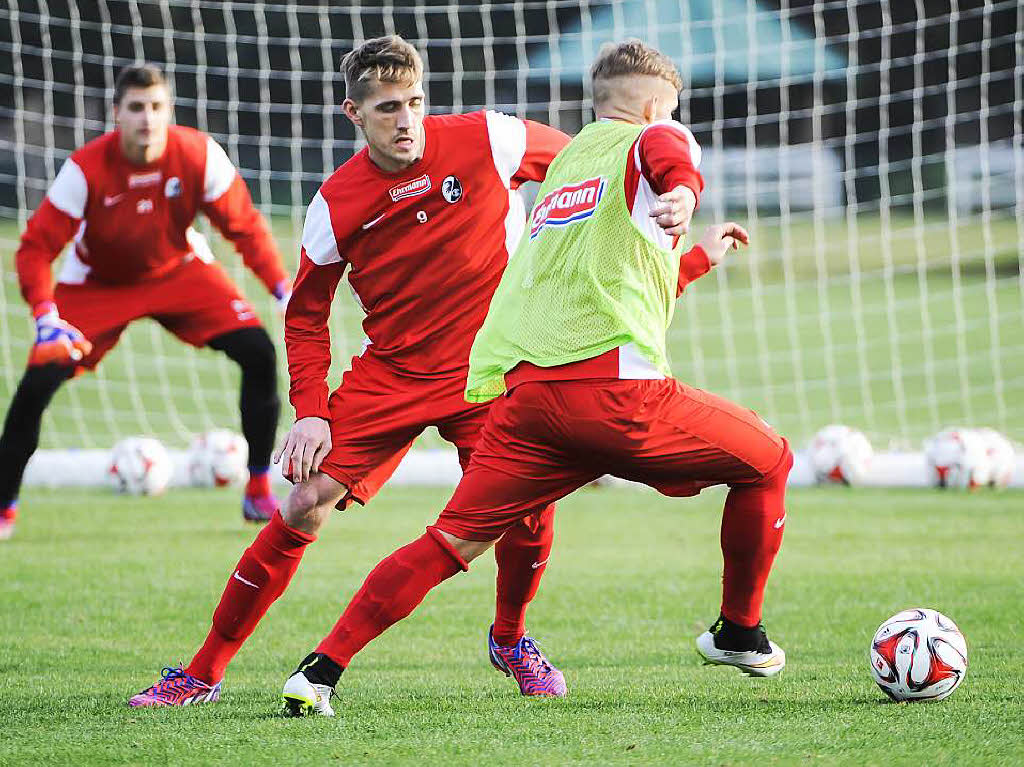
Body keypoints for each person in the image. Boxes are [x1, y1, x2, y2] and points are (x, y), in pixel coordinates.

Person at [276, 39, 794, 714]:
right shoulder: (652, 137)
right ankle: (738, 629)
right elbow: (671, 156)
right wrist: (685, 195)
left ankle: (319, 670)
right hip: (617, 396)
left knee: (446, 543)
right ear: (652, 105)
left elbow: (609, 279)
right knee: (769, 460)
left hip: (527, 402)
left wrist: (693, 259)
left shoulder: (570, 170)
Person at [129, 35, 573, 711]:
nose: (406, 120)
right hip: (392, 373)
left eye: (415, 103)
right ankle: (202, 671)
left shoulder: (490, 138)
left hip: (490, 368)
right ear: (354, 114)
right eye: (389, 107)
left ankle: (510, 637)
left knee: (528, 508)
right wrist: (309, 408)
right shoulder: (336, 201)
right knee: (304, 501)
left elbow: (582, 164)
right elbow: (305, 314)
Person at [0, 64, 290, 541]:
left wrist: (282, 288)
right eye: (136, 108)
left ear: (169, 111)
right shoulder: (86, 169)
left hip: (180, 272)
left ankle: (258, 489)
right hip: (96, 285)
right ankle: (5, 506)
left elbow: (244, 226)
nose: (148, 119)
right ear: (118, 114)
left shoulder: (198, 155)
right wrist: (44, 316)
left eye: (157, 107)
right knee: (37, 384)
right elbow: (35, 248)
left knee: (258, 352)